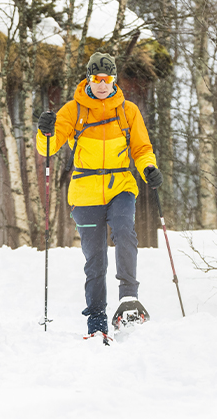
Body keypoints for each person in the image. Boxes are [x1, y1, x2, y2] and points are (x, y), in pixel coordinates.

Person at [36, 51, 162, 341]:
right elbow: (48, 147)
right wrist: (44, 132)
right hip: (86, 191)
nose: (102, 84)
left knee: (124, 231)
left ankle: (128, 301)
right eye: (96, 79)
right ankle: (96, 318)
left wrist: (149, 169)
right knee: (95, 260)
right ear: (89, 78)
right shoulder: (74, 110)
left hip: (120, 185)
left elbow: (142, 150)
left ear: (114, 79)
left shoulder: (127, 111)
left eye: (106, 79)